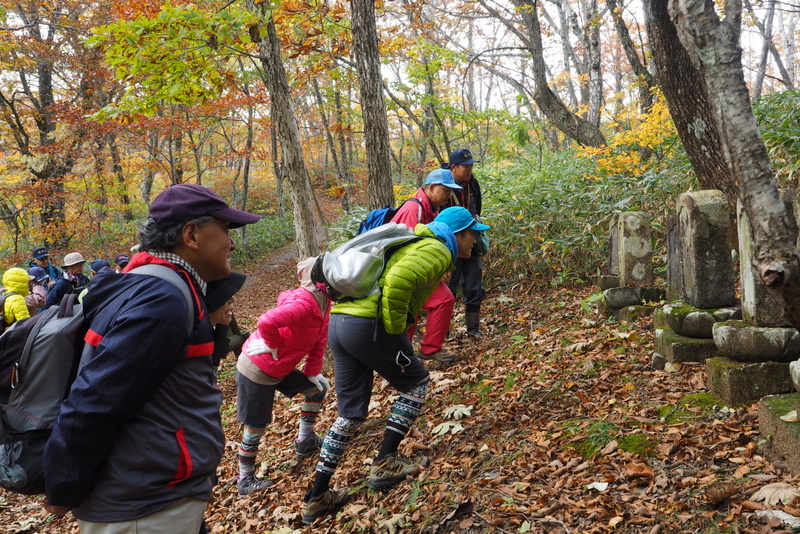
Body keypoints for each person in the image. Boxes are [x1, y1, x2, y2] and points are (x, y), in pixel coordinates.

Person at [43, 183, 260, 533]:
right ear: (191, 234)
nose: (232, 242)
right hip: (142, 509)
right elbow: (95, 400)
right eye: (225, 229)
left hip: (155, 493)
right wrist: (64, 483)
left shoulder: (151, 283)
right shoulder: (162, 298)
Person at [302, 218, 479, 525]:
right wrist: (395, 330)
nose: (475, 242)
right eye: (472, 236)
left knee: (350, 414)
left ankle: (317, 497)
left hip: (342, 322)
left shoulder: (416, 242)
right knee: (417, 383)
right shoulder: (437, 249)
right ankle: (385, 462)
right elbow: (398, 280)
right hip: (369, 325)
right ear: (458, 233)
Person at [235, 257, 332, 497]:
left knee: (316, 389)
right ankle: (245, 479)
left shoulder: (324, 303)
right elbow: (267, 321)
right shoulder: (303, 304)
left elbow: (319, 340)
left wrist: (312, 371)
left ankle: (305, 440)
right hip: (256, 368)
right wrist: (273, 344)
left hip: (280, 365)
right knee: (256, 425)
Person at [391, 168, 461, 363]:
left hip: (415, 272)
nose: (448, 196)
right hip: (404, 273)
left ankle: (407, 355)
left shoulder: (431, 209)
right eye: (446, 191)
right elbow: (406, 248)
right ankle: (413, 354)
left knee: (411, 313)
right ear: (431, 187)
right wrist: (435, 272)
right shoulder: (414, 209)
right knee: (441, 300)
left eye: (450, 192)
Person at [442, 149, 487, 337]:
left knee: (473, 284)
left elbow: (478, 208)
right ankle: (442, 332)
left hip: (470, 241)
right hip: (449, 244)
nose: (470, 169)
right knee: (448, 289)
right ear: (453, 167)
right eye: (466, 166)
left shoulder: (472, 183)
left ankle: (473, 329)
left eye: (471, 166)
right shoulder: (443, 184)